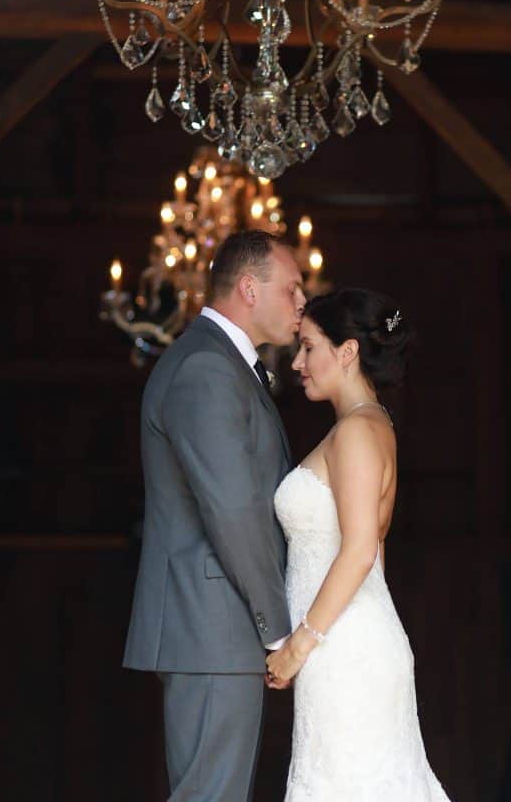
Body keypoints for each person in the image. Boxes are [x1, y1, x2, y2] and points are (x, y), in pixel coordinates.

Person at [123, 229, 306, 802]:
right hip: (211, 627)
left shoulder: (221, 362)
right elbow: (232, 509)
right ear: (250, 289)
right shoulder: (206, 367)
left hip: (215, 629)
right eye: (293, 289)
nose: (303, 303)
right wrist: (278, 630)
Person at [267, 288, 452, 801]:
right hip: (346, 640)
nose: (298, 362)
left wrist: (298, 646)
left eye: (308, 347)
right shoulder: (367, 427)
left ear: (347, 352)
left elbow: (360, 550)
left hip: (339, 645)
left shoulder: (357, 432)